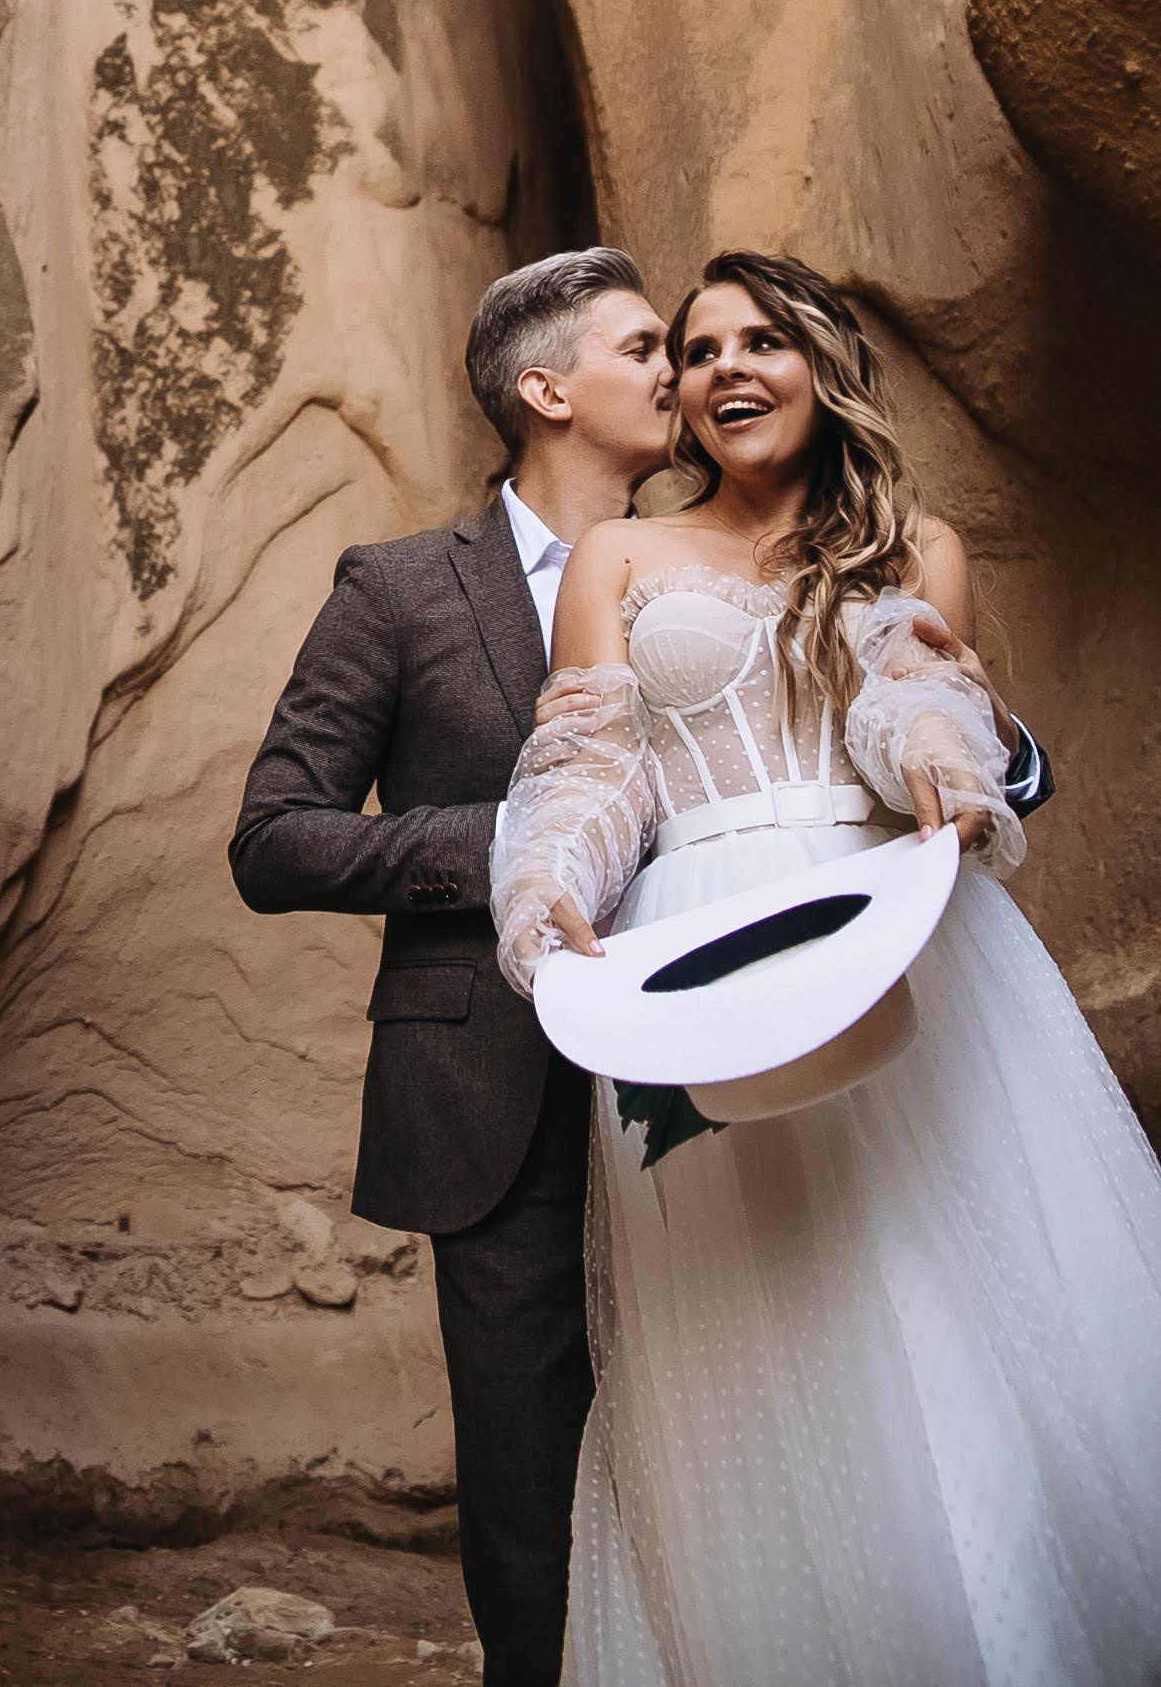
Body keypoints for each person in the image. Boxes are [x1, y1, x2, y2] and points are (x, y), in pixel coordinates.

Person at [229, 248, 1055, 1687]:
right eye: (654, 349)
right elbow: (275, 837)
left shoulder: (823, 547)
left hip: (780, 1009)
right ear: (548, 390)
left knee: (823, 1381)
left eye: (726, 347)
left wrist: (984, 756)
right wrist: (531, 855)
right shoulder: (407, 587)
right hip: (499, 1070)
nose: (687, 374)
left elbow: (921, 704)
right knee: (538, 1487)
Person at [493, 250, 1161, 1686]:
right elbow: (591, 766)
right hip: (701, 967)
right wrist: (543, 880)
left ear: (820, 364)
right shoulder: (620, 555)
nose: (726, 365)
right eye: (697, 348)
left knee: (941, 1306)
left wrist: (941, 759)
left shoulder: (914, 549)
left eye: (760, 339)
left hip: (896, 936)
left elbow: (921, 703)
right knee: (762, 1339)